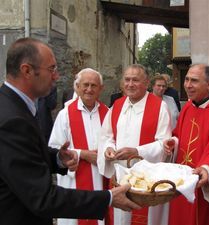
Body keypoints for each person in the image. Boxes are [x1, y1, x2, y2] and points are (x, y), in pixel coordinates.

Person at [0, 37, 140, 225]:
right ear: (27, 71)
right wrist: (107, 198)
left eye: (94, 86)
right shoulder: (13, 119)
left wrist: (57, 158)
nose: (56, 76)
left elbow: (25, 156)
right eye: (51, 69)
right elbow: (42, 197)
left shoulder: (14, 106)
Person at [98, 64, 172, 225]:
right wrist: (108, 149)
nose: (130, 84)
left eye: (135, 80)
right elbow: (107, 136)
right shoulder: (117, 105)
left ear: (146, 83)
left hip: (146, 181)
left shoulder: (159, 106)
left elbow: (164, 144)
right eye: (127, 80)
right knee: (120, 219)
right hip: (120, 176)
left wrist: (136, 151)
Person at [164, 64, 209, 225]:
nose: (188, 85)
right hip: (182, 180)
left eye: (194, 81)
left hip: (202, 181)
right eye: (187, 79)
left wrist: (206, 168)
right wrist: (173, 142)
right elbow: (179, 135)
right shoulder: (188, 107)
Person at [49, 68, 109, 225]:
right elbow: (55, 149)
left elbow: (113, 143)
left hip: (100, 178)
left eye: (94, 85)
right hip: (74, 181)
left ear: (101, 89)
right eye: (85, 85)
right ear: (77, 87)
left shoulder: (108, 113)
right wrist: (83, 154)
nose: (89, 89)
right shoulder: (65, 114)